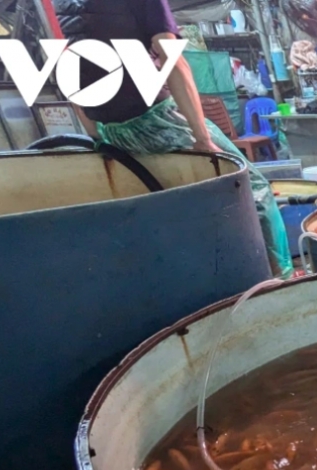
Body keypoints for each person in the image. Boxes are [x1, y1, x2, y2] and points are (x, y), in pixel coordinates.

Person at [54, 0, 293, 279]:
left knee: (166, 203)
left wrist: (98, 138)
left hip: (111, 131)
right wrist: (202, 139)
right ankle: (280, 279)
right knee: (251, 187)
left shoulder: (63, 6)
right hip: (156, 121)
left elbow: (69, 73)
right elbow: (174, 62)